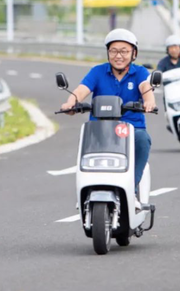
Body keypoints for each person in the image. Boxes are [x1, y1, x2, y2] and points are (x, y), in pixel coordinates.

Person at [60, 29, 156, 205]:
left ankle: (131, 190)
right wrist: (70, 103)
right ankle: (86, 190)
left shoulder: (140, 72)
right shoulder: (97, 71)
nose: (118, 55)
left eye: (124, 51)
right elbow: (82, 90)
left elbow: (146, 88)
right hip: (100, 128)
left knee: (143, 140)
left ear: (134, 53)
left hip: (132, 128)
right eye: (113, 51)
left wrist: (149, 102)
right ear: (108, 53)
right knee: (85, 147)